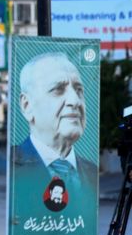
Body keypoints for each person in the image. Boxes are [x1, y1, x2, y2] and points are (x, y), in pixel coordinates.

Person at [13, 52, 97, 202]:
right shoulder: (12, 166)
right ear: (27, 106)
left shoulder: (92, 172)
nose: (75, 101)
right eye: (58, 89)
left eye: (79, 90)